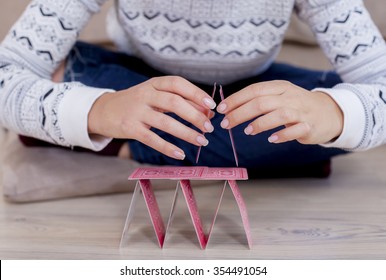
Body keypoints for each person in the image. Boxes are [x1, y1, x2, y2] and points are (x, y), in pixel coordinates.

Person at [1, 0, 386, 178]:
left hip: (244, 90)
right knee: (60, 80)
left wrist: (331, 114)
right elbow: (7, 74)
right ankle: (280, 157)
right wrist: (102, 111)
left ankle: (122, 142)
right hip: (137, 83)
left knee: (332, 107)